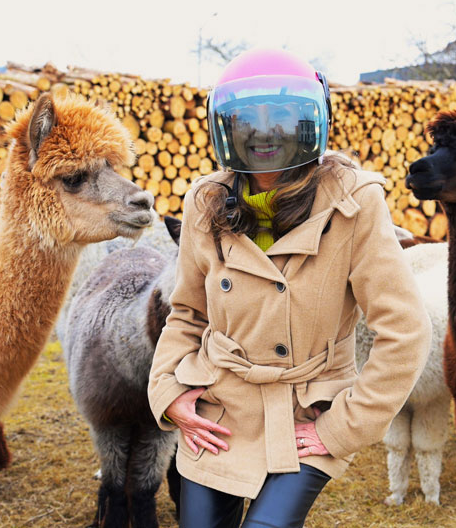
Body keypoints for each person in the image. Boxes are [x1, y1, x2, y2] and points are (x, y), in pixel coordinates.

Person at [147, 48, 432, 528]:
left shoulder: (354, 200)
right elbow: (187, 315)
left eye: (281, 115)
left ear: (311, 121)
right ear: (225, 125)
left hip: (305, 410)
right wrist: (169, 391)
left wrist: (343, 427)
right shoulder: (205, 200)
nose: (263, 131)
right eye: (246, 118)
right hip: (219, 405)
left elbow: (405, 330)